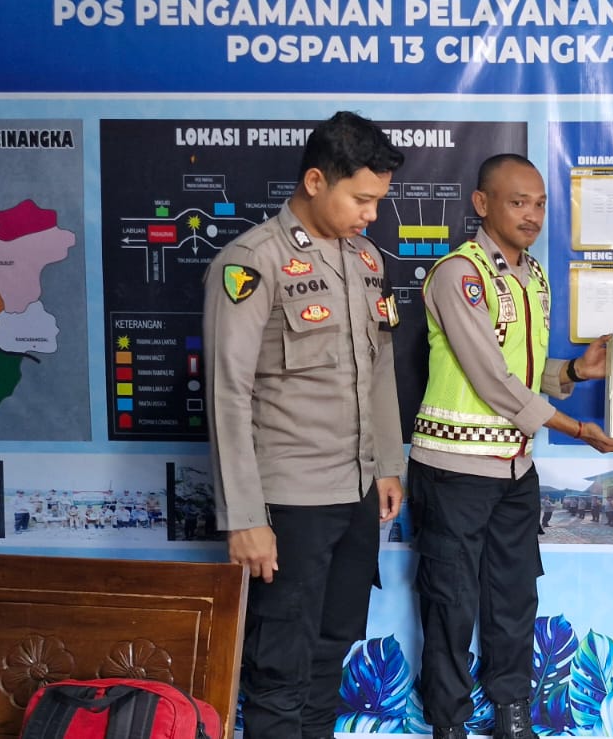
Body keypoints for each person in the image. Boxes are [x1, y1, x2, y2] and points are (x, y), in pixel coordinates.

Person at [408, 153, 613, 739]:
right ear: (482, 204)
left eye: (539, 204)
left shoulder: (533, 276)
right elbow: (489, 378)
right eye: (517, 202)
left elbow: (522, 370)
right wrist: (576, 428)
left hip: (514, 470)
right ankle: (448, 722)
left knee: (514, 595)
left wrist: (575, 372)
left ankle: (512, 712)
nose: (532, 215)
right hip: (455, 469)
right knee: (451, 601)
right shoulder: (460, 274)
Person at [203, 111, 407, 739]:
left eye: (379, 200)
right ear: (316, 181)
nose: (372, 214)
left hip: (356, 495)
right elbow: (227, 393)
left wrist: (388, 466)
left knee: (329, 656)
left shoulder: (366, 260)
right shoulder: (251, 261)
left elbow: (379, 371)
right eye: (362, 199)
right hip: (288, 503)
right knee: (279, 668)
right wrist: (244, 517)